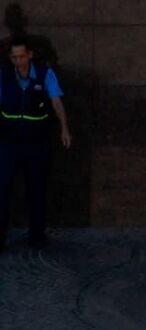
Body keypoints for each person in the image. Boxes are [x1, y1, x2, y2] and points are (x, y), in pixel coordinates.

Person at [0, 34, 69, 251]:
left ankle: (37, 236)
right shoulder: (3, 76)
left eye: (21, 56)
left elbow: (56, 100)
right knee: (2, 188)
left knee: (36, 189)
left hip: (36, 142)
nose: (18, 61)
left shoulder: (44, 74)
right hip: (9, 142)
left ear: (29, 55)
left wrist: (64, 128)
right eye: (14, 57)